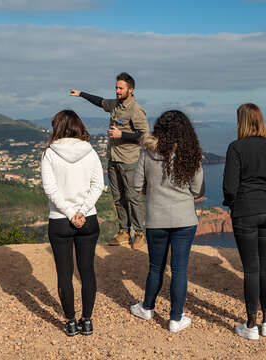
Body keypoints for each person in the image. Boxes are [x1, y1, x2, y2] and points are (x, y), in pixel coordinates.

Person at [129, 110, 204, 333]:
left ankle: (147, 307)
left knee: (155, 267)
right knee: (179, 269)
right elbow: (198, 190)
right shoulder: (191, 155)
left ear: (159, 128)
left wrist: (153, 193)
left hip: (156, 219)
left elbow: (136, 186)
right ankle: (175, 318)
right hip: (184, 219)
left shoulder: (147, 153)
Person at [222, 103, 266, 340]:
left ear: (241, 122)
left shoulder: (235, 147)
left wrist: (234, 202)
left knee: (251, 268)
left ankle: (250, 324)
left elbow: (229, 187)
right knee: (265, 265)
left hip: (245, 211)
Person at [40, 110, 104, 336]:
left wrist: (68, 213)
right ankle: (87, 321)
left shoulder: (50, 153)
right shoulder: (90, 151)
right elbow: (98, 185)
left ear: (57, 127)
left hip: (60, 221)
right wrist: (82, 211)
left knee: (64, 274)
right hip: (88, 220)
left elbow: (50, 189)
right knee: (87, 272)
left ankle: (69, 322)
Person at [69, 72, 148, 249]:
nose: (117, 91)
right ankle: (124, 231)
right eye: (116, 88)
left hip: (129, 161)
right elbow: (100, 102)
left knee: (133, 198)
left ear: (131, 89)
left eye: (121, 88)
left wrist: (123, 134)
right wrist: (81, 94)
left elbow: (144, 135)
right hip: (113, 158)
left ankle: (140, 233)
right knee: (118, 197)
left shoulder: (136, 110)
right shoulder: (116, 105)